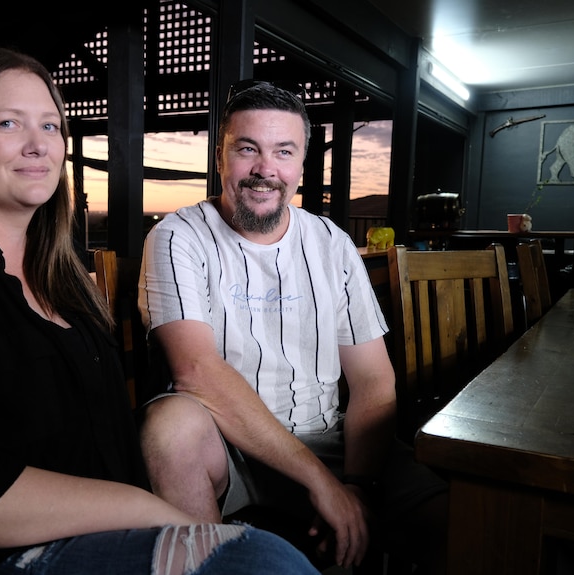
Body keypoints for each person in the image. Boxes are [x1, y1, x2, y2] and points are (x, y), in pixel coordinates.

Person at [0, 50, 321, 575]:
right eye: (8, 123)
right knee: (259, 558)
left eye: (51, 125)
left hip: (96, 535)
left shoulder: (60, 277)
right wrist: (154, 513)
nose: (39, 144)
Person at [137, 80, 448, 573]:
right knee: (169, 425)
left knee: (460, 524)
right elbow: (195, 371)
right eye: (247, 149)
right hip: (227, 446)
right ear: (221, 157)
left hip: (330, 438)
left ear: (301, 164)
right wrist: (319, 484)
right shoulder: (178, 235)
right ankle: (219, 567)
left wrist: (355, 486)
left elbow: (372, 379)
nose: (265, 169)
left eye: (284, 151)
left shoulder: (332, 241)